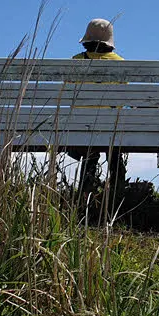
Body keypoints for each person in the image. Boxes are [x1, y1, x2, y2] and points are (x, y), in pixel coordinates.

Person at [69, 18, 127, 210]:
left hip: (82, 129)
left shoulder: (75, 62)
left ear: (86, 39)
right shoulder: (121, 64)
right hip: (113, 131)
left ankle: (85, 196)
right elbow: (126, 99)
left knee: (89, 154)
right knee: (115, 150)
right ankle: (119, 192)